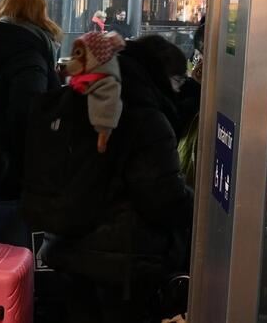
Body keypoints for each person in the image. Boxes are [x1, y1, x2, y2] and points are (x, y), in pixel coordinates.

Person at [40, 35, 193, 323]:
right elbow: (161, 197)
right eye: (178, 80)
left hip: (67, 248)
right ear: (162, 75)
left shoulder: (79, 100)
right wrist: (196, 206)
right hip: (121, 264)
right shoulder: (147, 119)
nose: (179, 89)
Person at [0, 0, 62, 200]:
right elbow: (28, 113)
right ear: (39, 11)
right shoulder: (29, 55)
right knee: (17, 219)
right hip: (16, 166)